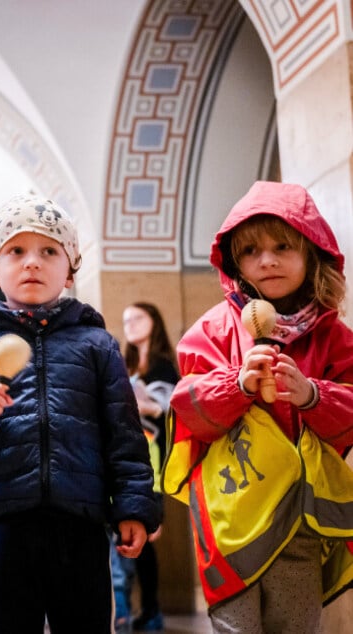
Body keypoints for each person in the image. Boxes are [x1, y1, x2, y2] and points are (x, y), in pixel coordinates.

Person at [0, 193, 161, 633]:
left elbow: (125, 438)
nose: (32, 262)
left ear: (70, 270)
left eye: (49, 251)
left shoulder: (97, 345)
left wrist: (134, 507)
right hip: (3, 520)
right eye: (16, 251)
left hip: (82, 520)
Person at [165, 181, 353, 632]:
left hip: (301, 515)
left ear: (312, 251)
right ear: (236, 262)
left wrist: (311, 394)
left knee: (295, 624)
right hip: (233, 519)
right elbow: (187, 407)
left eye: (282, 246)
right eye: (251, 251)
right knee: (235, 625)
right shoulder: (212, 329)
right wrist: (238, 384)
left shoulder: (332, 336)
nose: (266, 260)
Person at [120, 302, 179, 631]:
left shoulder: (164, 365)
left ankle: (153, 609)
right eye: (126, 319)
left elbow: (171, 408)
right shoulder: (124, 365)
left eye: (137, 317)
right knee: (130, 536)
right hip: (128, 455)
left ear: (154, 321)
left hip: (155, 458)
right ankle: (130, 609)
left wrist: (145, 404)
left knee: (147, 534)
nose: (130, 324)